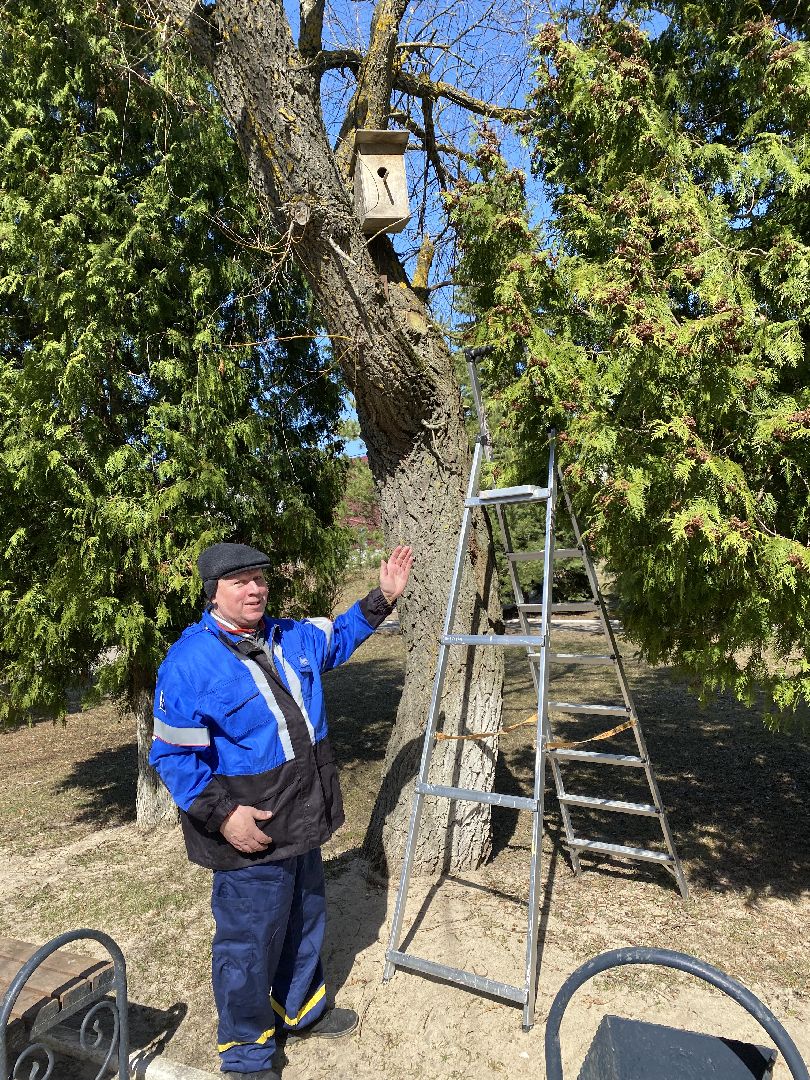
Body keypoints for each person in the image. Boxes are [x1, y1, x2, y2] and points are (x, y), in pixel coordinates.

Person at [150, 541, 413, 1080]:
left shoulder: (289, 636)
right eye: (240, 581)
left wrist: (383, 598)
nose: (255, 589)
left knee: (304, 918)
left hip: (302, 820)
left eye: (259, 578)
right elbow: (172, 756)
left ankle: (300, 1011)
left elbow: (338, 637)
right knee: (249, 945)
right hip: (250, 833)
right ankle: (246, 1057)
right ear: (213, 592)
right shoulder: (188, 664)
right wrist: (225, 817)